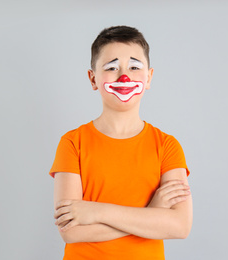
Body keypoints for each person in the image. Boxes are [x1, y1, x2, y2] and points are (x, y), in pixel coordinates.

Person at [49, 25, 193, 260]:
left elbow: (180, 226)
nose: (124, 76)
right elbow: (71, 231)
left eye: (135, 67)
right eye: (111, 67)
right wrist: (152, 215)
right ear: (93, 78)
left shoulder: (167, 146)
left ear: (149, 77)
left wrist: (95, 211)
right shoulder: (72, 143)